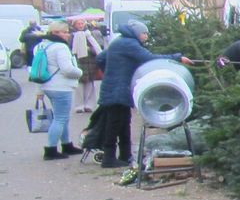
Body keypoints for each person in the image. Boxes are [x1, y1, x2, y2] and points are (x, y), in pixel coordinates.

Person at [95, 20, 192, 169]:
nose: (146, 36)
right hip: (118, 90)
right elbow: (149, 58)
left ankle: (125, 155)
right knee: (115, 124)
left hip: (114, 87)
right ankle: (109, 159)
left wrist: (111, 71)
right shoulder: (129, 44)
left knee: (123, 122)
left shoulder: (119, 42)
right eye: (144, 33)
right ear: (136, 33)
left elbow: (100, 58)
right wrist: (177, 57)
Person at [34, 21, 83, 160]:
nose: (68, 35)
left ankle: (67, 145)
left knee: (62, 117)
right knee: (60, 119)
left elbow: (38, 68)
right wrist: (80, 72)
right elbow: (67, 69)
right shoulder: (60, 47)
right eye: (65, 32)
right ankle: (51, 149)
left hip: (47, 85)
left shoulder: (40, 45)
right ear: (55, 32)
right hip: (61, 87)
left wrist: (39, 91)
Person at [70, 18, 103, 112]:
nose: (80, 25)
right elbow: (69, 48)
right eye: (78, 23)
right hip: (78, 61)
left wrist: (89, 49)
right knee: (79, 84)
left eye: (82, 23)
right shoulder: (72, 35)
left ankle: (89, 105)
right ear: (74, 25)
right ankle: (79, 106)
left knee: (90, 84)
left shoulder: (90, 34)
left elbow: (98, 47)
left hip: (90, 62)